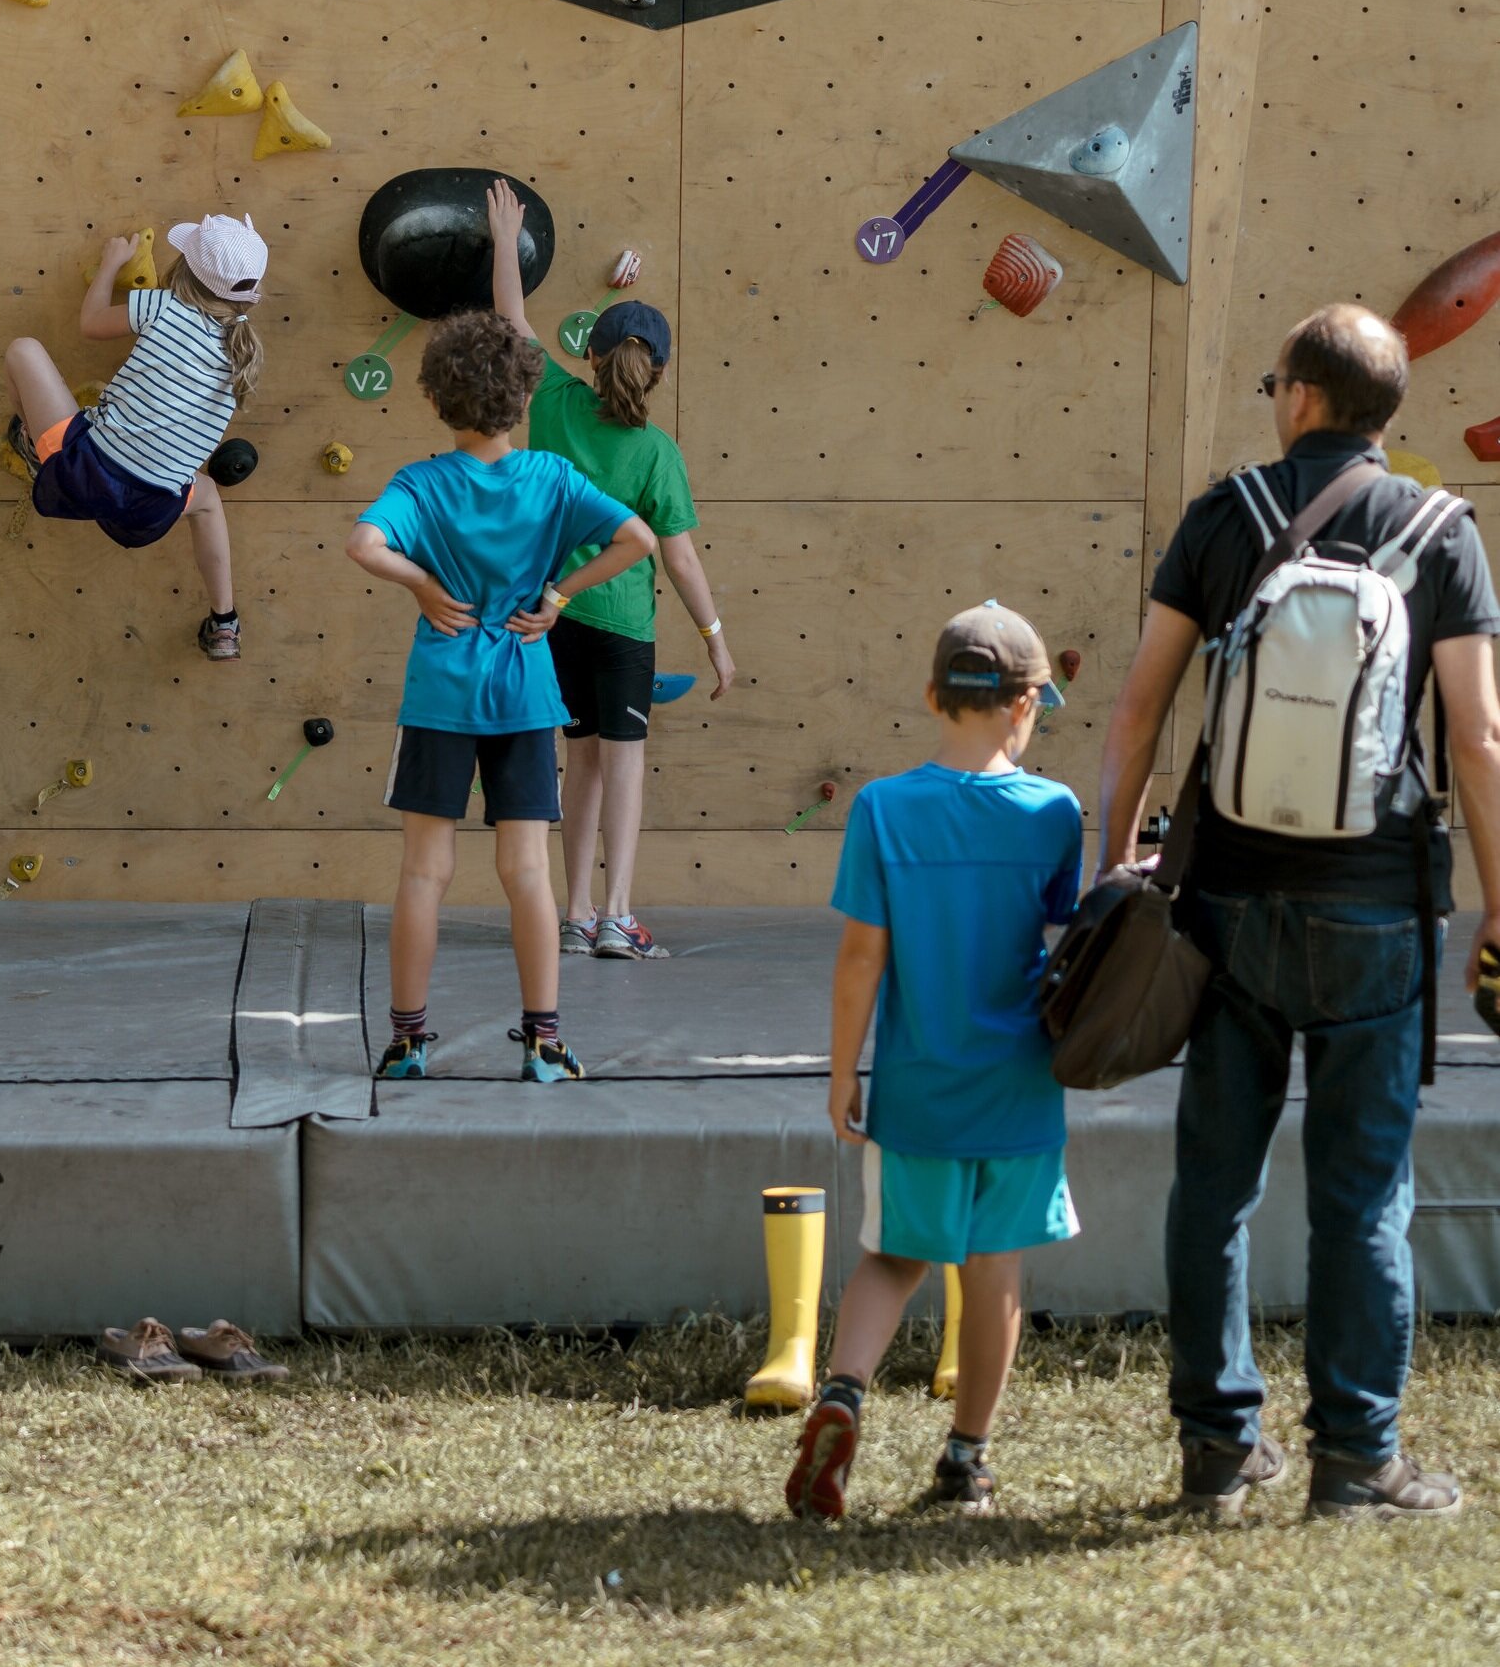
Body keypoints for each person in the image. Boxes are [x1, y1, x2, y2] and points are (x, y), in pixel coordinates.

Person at [1098, 300, 1500, 1522]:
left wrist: (1113, 868)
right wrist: (1495, 902)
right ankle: (1354, 1461)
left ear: (1302, 401)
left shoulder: (1225, 517)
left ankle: (1217, 1454)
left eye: (1274, 381)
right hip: (1377, 910)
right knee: (1363, 1190)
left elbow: (1138, 712)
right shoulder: (1441, 532)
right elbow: (1476, 736)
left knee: (1211, 1183)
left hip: (1222, 903)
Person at [787, 604, 1083, 1523]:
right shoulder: (1054, 812)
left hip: (917, 1086)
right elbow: (1072, 949)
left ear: (931, 695)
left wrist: (843, 1073)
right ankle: (966, 1461)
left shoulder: (883, 807)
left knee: (892, 1256)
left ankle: (841, 1395)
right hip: (1020, 1088)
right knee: (994, 1272)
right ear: (1028, 704)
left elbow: (860, 960)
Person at [346, 307, 657, 1084]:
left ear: (436, 400)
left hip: (441, 694)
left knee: (425, 871)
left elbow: (363, 544)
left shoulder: (419, 483)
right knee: (527, 871)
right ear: (523, 404)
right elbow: (639, 540)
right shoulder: (551, 479)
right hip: (524, 691)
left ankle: (408, 1043)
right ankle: (545, 1043)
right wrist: (558, 595)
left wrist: (420, 581)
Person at [484, 180, 732, 961]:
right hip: (620, 622)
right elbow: (680, 557)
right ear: (655, 372)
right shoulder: (658, 452)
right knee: (622, 765)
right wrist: (716, 639)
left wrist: (504, 241)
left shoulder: (553, 401)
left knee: (579, 759)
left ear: (590, 355)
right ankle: (620, 915)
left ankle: (578, 911)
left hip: (553, 620)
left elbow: (512, 320)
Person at [4, 211, 265, 660]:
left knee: (22, 350)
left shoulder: (165, 304)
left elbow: (90, 324)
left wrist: (111, 262)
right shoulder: (244, 354)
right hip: (148, 514)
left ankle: (34, 448)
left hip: (81, 473)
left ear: (185, 269)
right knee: (205, 499)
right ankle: (224, 621)